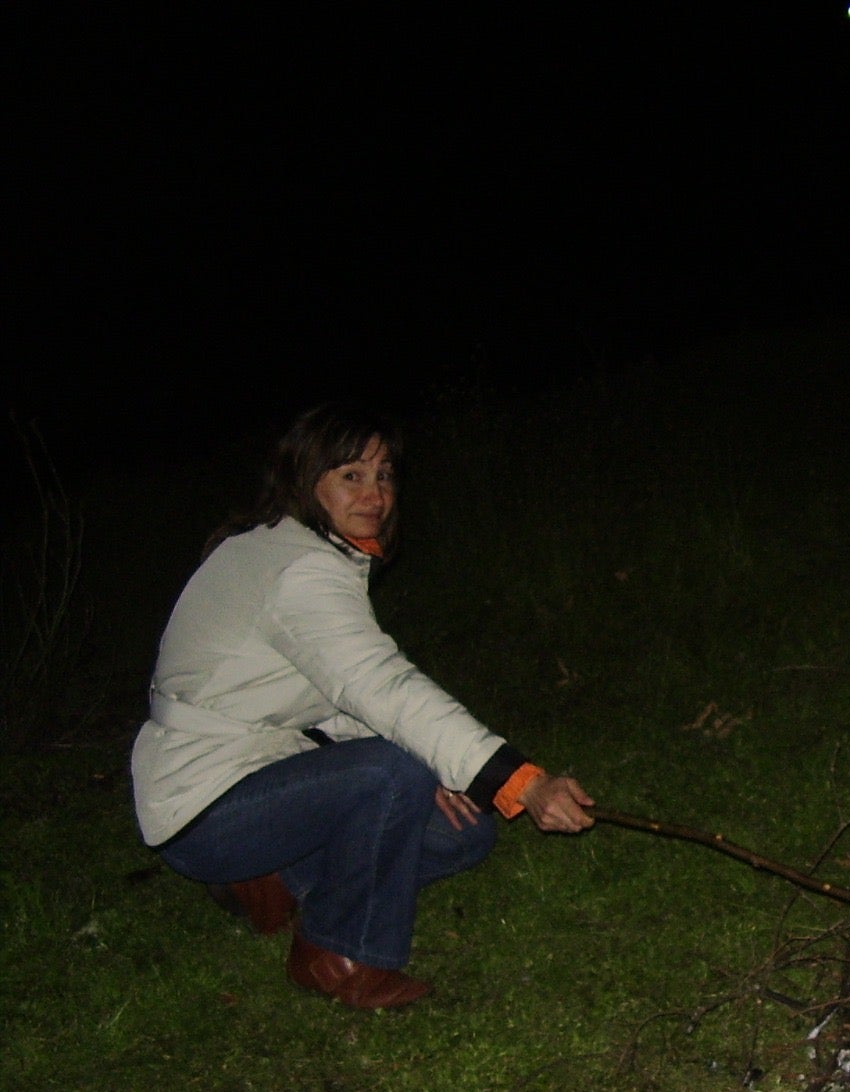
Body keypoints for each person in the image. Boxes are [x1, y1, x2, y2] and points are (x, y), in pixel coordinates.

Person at [131, 405, 595, 1009]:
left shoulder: (299, 552)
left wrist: (437, 768)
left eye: (384, 475)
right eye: (352, 475)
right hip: (207, 806)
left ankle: (273, 880)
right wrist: (518, 779)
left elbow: (336, 695)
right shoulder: (297, 570)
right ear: (305, 478)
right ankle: (338, 952)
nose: (375, 493)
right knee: (392, 770)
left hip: (262, 772)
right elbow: (380, 685)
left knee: (463, 833)